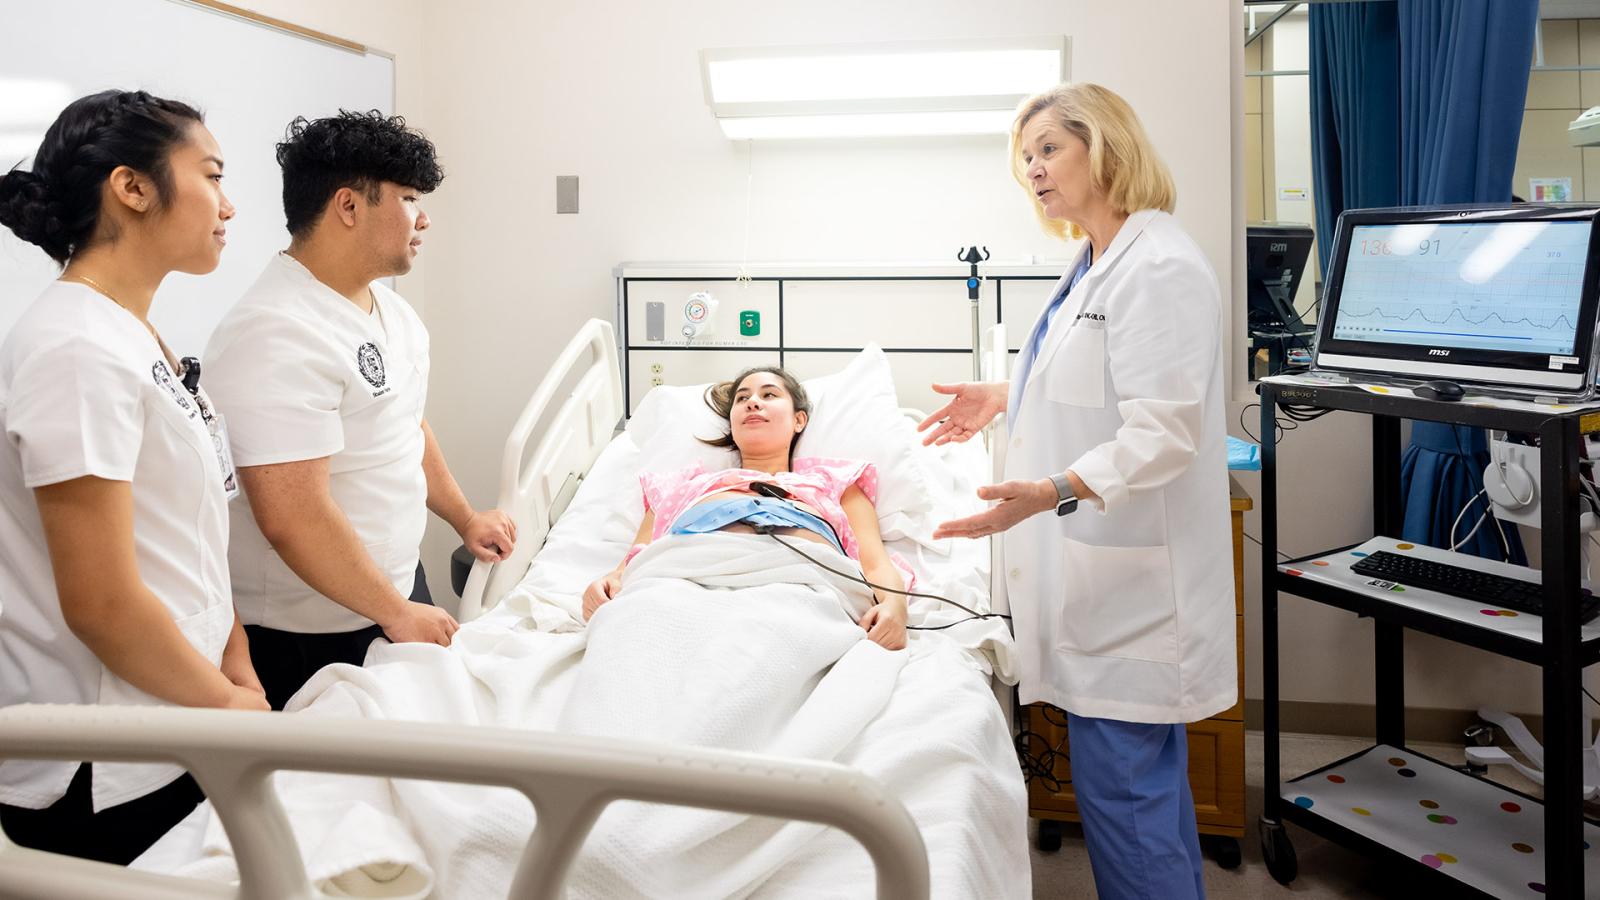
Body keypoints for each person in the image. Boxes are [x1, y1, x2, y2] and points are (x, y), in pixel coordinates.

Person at [918, 82, 1234, 899]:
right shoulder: (1098, 257)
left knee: (1128, 805)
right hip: (1100, 582)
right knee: (1129, 799)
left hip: (1128, 591)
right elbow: (1090, 385)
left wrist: (1051, 490)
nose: (1033, 170)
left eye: (1050, 149)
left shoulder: (1157, 265)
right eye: (1026, 157)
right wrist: (1004, 393)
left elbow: (1164, 430)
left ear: (1108, 147)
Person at [0, 89, 266, 865]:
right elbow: (103, 601)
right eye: (211, 176)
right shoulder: (75, 349)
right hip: (108, 758)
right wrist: (229, 707)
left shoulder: (133, 331)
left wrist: (233, 654)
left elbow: (179, 534)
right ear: (134, 187)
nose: (228, 205)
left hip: (179, 713)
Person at [203, 111, 515, 710]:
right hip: (310, 631)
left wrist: (465, 518)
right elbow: (292, 517)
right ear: (348, 207)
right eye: (407, 199)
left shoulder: (392, 314)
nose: (423, 219)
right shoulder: (275, 332)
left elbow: (404, 430)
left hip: (391, 590)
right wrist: (396, 613)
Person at [583, 367, 910, 650]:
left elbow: (874, 563)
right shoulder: (681, 484)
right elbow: (634, 562)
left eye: (769, 395)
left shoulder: (836, 482)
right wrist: (607, 583)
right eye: (742, 398)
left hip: (800, 590)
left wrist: (895, 606)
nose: (753, 402)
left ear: (799, 420)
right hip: (678, 581)